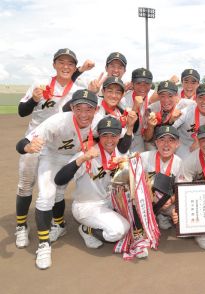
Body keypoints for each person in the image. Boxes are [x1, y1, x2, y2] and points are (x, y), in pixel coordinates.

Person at [15, 89, 136, 269]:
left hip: (79, 155)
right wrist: (29, 147)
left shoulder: (97, 121)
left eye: (89, 109)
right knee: (47, 194)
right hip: (53, 157)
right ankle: (43, 245)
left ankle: (60, 225)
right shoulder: (57, 121)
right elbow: (21, 143)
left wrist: (130, 128)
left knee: (60, 193)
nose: (84, 114)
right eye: (79, 108)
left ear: (96, 110)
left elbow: (120, 144)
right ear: (71, 107)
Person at [14, 48, 88, 249]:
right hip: (36, 141)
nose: (65, 66)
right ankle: (21, 226)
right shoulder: (41, 85)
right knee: (25, 184)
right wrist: (34, 100)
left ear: (74, 68)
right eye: (61, 62)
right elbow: (22, 111)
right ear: (54, 64)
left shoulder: (77, 88)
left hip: (60, 146)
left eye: (70, 64)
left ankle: (58, 223)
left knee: (55, 188)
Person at [53, 116, 149, 258]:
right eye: (105, 136)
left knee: (141, 204)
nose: (110, 140)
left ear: (118, 136)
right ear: (99, 136)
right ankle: (87, 230)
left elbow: (129, 172)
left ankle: (137, 241)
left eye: (113, 136)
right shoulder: (87, 154)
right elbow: (59, 180)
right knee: (118, 231)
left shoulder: (120, 152)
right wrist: (82, 159)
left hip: (111, 201)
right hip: (88, 206)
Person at [139, 125, 182, 230]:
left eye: (171, 140)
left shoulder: (179, 162)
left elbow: (180, 187)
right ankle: (151, 216)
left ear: (177, 144)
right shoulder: (144, 157)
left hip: (167, 202)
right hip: (146, 201)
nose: (166, 144)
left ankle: (162, 215)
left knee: (180, 213)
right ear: (156, 143)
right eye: (162, 140)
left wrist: (171, 200)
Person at [172, 84, 205, 158]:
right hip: (185, 143)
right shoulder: (186, 112)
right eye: (201, 97)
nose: (204, 101)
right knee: (185, 164)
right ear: (196, 99)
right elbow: (171, 129)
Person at [119, 68, 154, 152]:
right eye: (138, 83)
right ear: (132, 84)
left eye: (146, 83)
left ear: (151, 84)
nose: (143, 87)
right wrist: (135, 107)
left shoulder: (153, 95)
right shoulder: (123, 100)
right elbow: (129, 128)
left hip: (146, 136)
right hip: (130, 136)